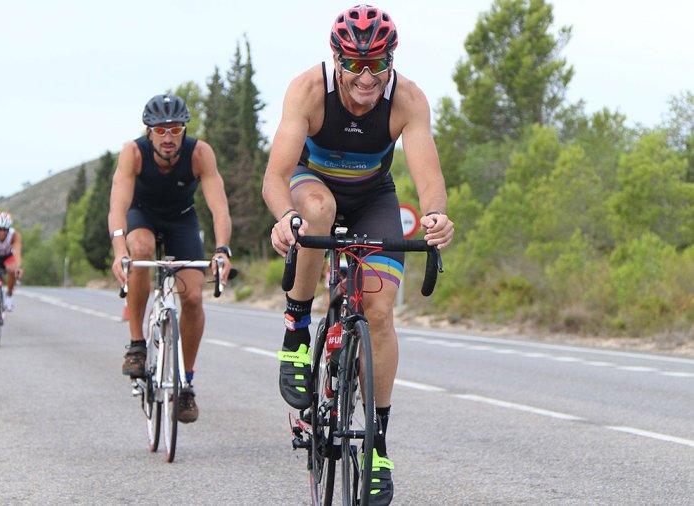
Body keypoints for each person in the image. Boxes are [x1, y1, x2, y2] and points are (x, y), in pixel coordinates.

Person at [261, 5, 455, 504]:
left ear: (391, 59)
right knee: (318, 210)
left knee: (382, 314)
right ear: (336, 58)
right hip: (313, 186)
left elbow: (428, 176)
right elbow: (275, 176)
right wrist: (286, 218)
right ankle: (297, 327)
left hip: (373, 197)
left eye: (378, 63)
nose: (366, 76)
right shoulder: (308, 90)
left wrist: (434, 215)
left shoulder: (406, 99)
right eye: (354, 64)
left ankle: (378, 445)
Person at [108, 93, 233, 424]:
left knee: (193, 296)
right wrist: (120, 251)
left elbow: (219, 207)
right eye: (160, 130)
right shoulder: (133, 153)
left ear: (183, 130)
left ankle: (185, 382)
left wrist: (222, 250)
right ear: (149, 132)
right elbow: (118, 206)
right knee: (142, 250)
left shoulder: (200, 153)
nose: (167, 137)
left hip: (181, 220)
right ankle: (137, 345)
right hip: (140, 217)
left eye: (175, 129)